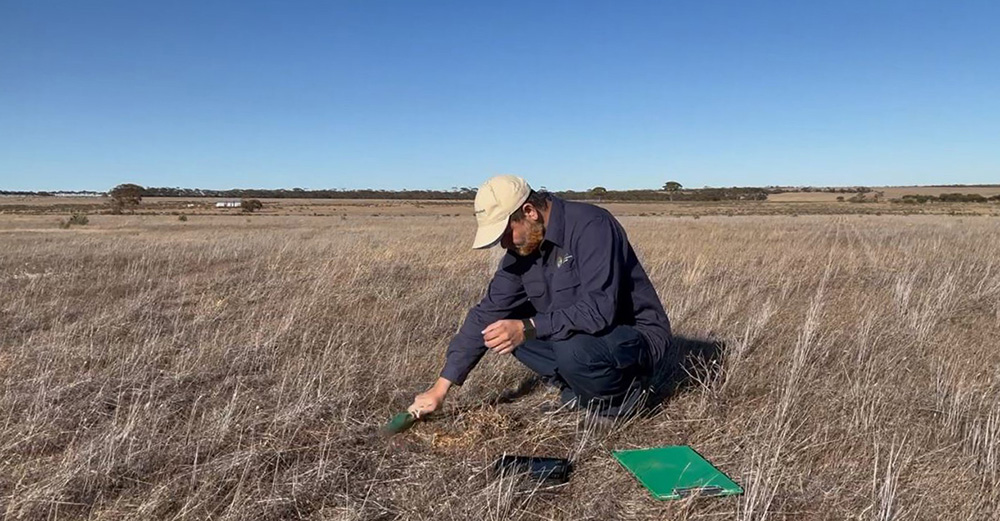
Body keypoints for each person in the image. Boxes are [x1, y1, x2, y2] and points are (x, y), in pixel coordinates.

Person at [408, 175, 673, 419]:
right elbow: (487, 313)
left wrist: (529, 327)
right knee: (501, 329)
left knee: (570, 347)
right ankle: (580, 389)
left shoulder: (592, 225)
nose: (504, 245)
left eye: (505, 234)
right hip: (578, 335)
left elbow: (600, 310)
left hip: (633, 336)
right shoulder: (523, 248)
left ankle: (623, 404)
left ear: (529, 212)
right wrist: (440, 388)